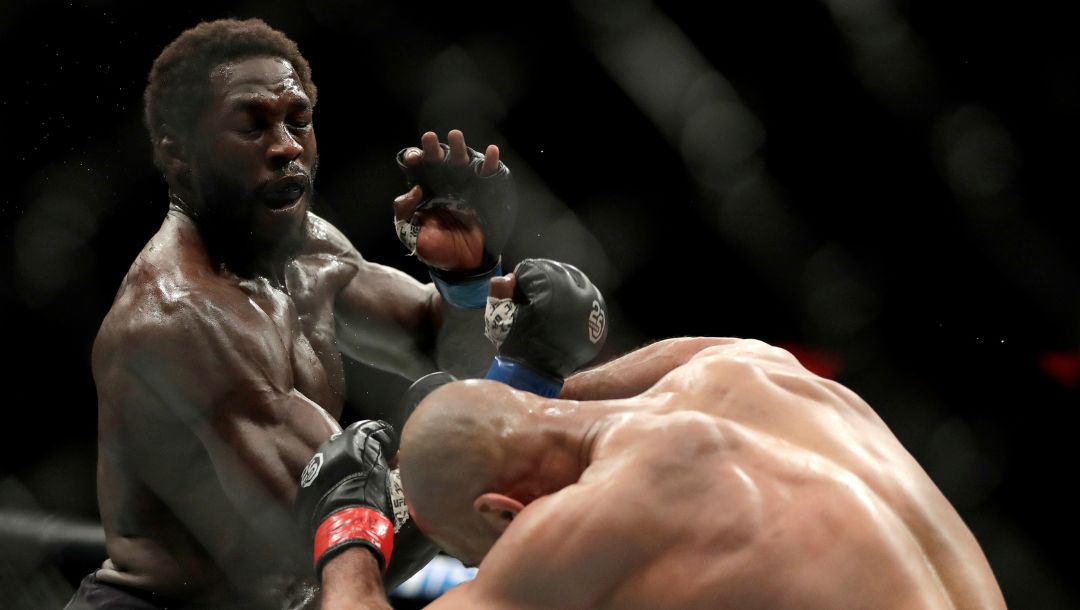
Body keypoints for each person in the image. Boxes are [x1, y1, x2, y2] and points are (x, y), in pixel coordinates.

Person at [65, 17, 520, 610]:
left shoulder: (309, 249)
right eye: (251, 127)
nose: (285, 147)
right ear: (178, 154)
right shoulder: (179, 318)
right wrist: (482, 455)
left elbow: (444, 343)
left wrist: (467, 279)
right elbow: (335, 538)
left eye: (297, 120)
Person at [308, 292, 1007, 607]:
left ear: (501, 512)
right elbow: (674, 359)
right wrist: (533, 383)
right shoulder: (744, 369)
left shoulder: (578, 528)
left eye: (473, 551)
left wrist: (349, 528)